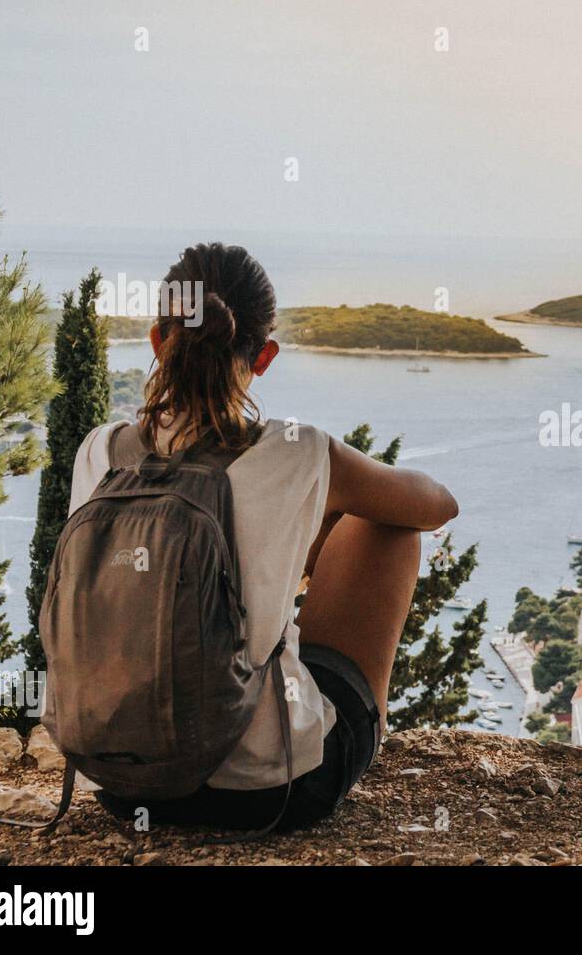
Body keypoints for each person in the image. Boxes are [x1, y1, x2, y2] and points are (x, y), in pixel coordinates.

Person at [72, 242, 457, 829]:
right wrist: (317, 521)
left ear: (157, 340)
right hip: (267, 791)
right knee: (385, 530)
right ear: (265, 355)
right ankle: (353, 733)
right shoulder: (295, 451)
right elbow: (434, 507)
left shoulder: (100, 451)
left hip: (122, 782)